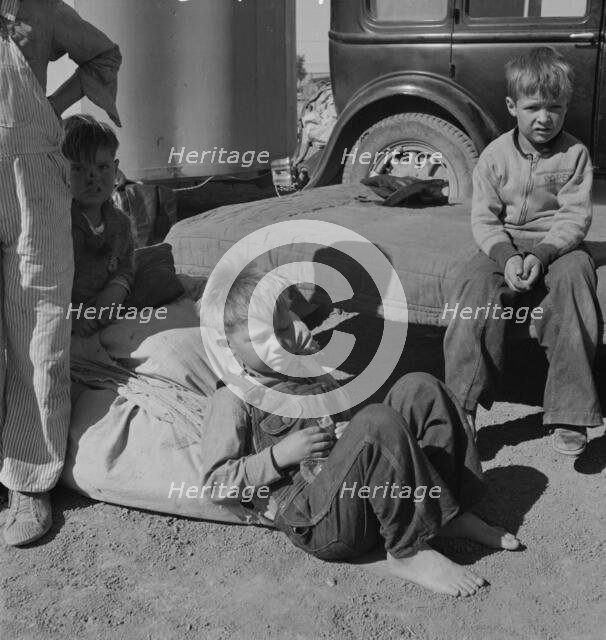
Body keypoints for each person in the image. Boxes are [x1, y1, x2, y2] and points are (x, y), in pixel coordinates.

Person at [199, 267, 520, 598]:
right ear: (228, 346)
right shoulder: (232, 399)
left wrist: (346, 427)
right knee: (376, 421)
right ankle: (408, 552)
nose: (276, 344)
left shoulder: (304, 367)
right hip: (319, 520)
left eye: (281, 329)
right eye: (258, 338)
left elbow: (344, 423)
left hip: (355, 491)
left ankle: (449, 512)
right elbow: (215, 485)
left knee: (420, 389)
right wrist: (280, 456)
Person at [0, 0, 121, 546]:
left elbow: (103, 54)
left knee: (41, 331)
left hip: (35, 177)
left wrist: (52, 108)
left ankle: (29, 480)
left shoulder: (40, 9)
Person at [443, 47, 601, 457]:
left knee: (576, 282)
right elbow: (484, 220)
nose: (544, 118)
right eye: (533, 107)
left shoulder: (576, 155)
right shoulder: (494, 157)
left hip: (558, 246)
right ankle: (461, 408)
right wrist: (507, 257)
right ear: (513, 106)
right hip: (505, 243)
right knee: (473, 290)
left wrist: (544, 254)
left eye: (556, 107)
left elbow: (574, 219)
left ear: (566, 108)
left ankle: (571, 410)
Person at [63, 114, 134, 337]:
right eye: (78, 169)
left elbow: (126, 266)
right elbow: (43, 283)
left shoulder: (121, 224)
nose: (92, 178)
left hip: (104, 315)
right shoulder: (57, 224)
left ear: (116, 168)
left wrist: (117, 289)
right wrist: (71, 316)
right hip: (64, 320)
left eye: (102, 167)